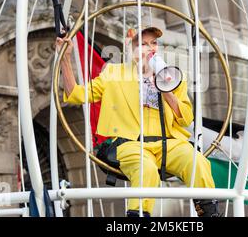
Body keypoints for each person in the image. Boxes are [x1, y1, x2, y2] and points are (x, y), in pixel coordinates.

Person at [56, 24, 220, 217]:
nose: (150, 48)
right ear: (131, 47)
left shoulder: (172, 76)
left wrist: (167, 92)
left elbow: (185, 118)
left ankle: (209, 214)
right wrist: (65, 59)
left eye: (153, 43)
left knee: (196, 161)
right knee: (145, 168)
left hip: (168, 142)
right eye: (142, 44)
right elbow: (76, 94)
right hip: (130, 142)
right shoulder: (113, 73)